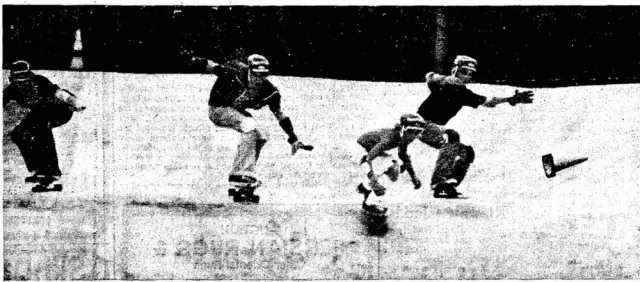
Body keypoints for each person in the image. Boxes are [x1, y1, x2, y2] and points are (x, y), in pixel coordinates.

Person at [189, 53, 312, 194]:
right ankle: (240, 173)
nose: (258, 79)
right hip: (217, 109)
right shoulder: (235, 73)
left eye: (263, 76)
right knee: (249, 126)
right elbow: (212, 66)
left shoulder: (270, 92)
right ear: (249, 70)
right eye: (255, 75)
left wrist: (293, 138)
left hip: (235, 111)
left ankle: (245, 176)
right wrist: (193, 59)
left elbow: (280, 114)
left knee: (261, 136)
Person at [416, 55, 534, 198]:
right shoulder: (457, 88)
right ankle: (439, 181)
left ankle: (447, 185)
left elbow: (430, 77)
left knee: (467, 153)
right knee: (451, 136)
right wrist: (509, 99)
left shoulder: (451, 86)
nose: (467, 76)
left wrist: (433, 77)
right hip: (420, 124)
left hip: (431, 128)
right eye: (464, 72)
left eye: (471, 73)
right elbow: (489, 101)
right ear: (455, 70)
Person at [3, 60, 86, 192]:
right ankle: (38, 170)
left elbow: (60, 94)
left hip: (60, 109)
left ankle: (52, 171)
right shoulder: (11, 90)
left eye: (25, 81)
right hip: (40, 112)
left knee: (41, 129)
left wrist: (75, 103)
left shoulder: (39, 81)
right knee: (18, 134)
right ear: (12, 80)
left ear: (30, 77)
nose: (22, 85)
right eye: (19, 83)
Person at [355, 113, 426, 214]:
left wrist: (413, 177)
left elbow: (403, 156)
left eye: (418, 132)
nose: (414, 136)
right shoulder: (389, 139)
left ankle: (366, 186)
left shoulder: (402, 137)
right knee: (389, 167)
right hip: (364, 150)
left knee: (393, 170)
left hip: (367, 149)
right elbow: (368, 160)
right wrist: (373, 181)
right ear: (403, 129)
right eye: (411, 131)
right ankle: (371, 201)